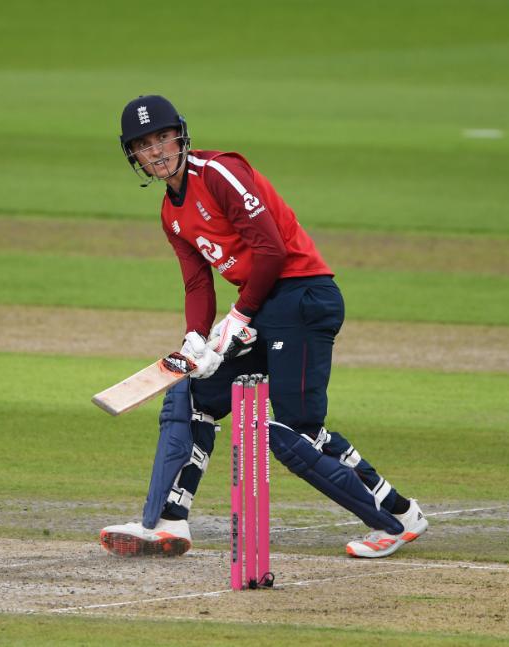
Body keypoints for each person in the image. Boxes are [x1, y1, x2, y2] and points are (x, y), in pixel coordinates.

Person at [100, 95, 427, 559]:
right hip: (265, 304)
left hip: (302, 295)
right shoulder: (171, 214)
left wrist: (239, 317)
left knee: (294, 431)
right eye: (144, 144)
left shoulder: (218, 174)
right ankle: (168, 522)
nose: (156, 151)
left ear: (180, 135)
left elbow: (271, 249)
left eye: (162, 137)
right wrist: (196, 338)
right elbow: (197, 283)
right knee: (193, 394)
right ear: (132, 155)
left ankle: (397, 519)